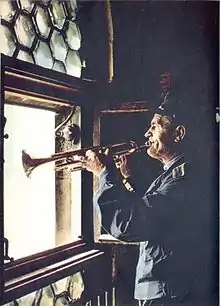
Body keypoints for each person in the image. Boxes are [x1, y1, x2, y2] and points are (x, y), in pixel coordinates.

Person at [77, 98, 217, 306]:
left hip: (170, 295)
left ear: (178, 134)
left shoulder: (183, 179)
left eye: (154, 126)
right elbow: (152, 212)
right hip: (171, 290)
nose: (146, 134)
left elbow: (128, 224)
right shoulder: (177, 173)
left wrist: (105, 174)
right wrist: (126, 177)